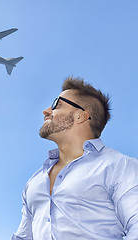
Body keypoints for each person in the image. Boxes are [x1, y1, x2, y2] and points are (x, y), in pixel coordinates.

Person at [11, 77, 138, 239]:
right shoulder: (34, 181)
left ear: (81, 116)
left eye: (57, 103)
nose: (46, 110)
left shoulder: (121, 167)